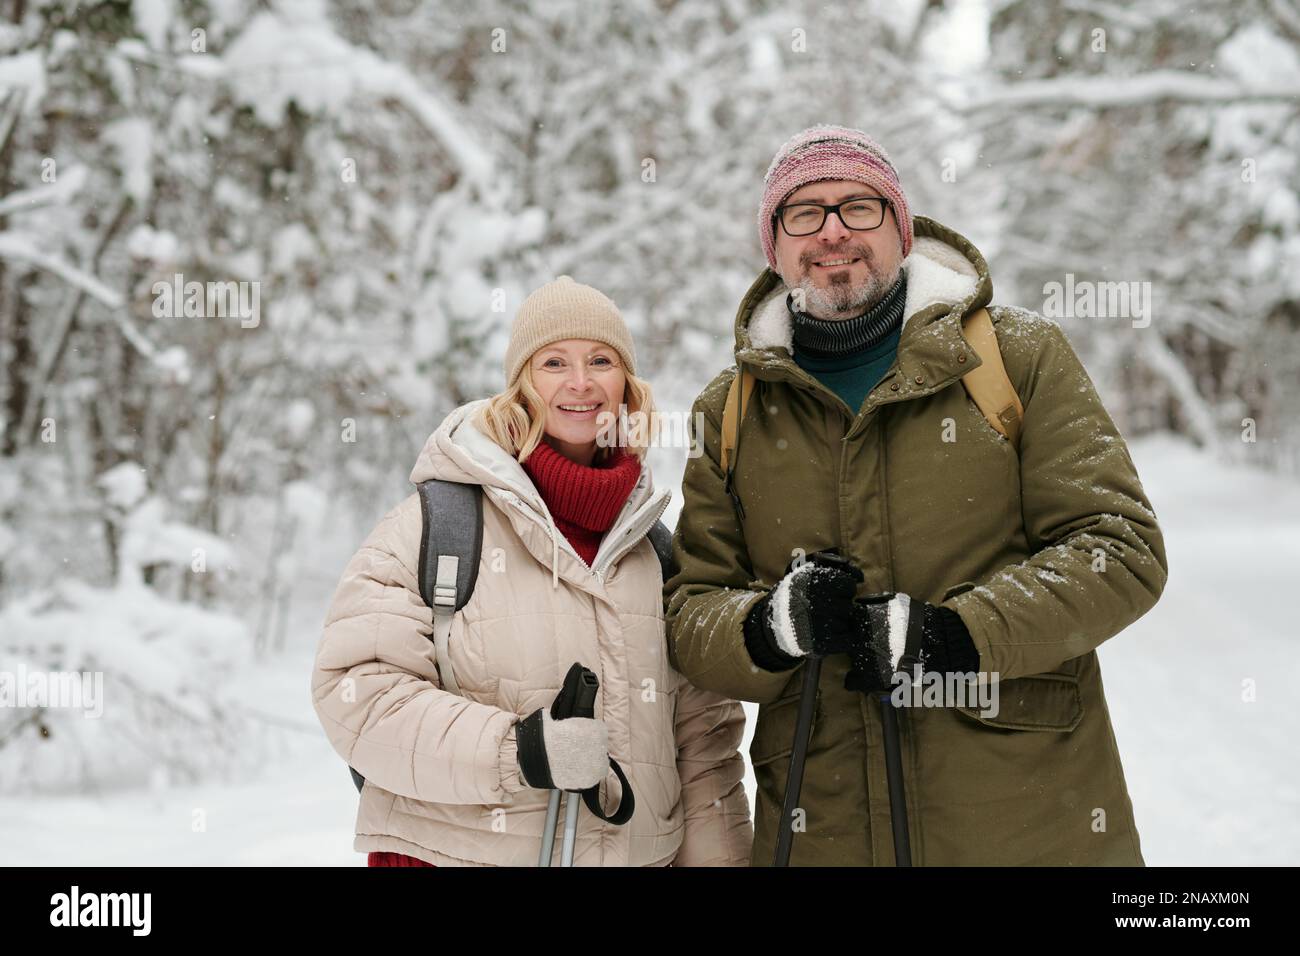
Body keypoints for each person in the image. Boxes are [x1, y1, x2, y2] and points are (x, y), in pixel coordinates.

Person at [664, 125, 1169, 865]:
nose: (833, 231)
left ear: (900, 229)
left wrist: (957, 636)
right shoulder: (731, 410)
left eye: (859, 207)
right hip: (824, 825)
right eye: (803, 213)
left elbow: (1120, 550)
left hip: (1026, 826)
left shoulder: (1015, 358)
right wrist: (767, 628)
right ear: (773, 246)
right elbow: (689, 609)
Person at [313, 276, 752, 866]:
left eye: (601, 360)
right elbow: (357, 693)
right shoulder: (438, 526)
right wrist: (515, 750)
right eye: (553, 362)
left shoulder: (660, 553)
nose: (580, 383)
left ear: (626, 386)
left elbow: (704, 754)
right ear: (521, 385)